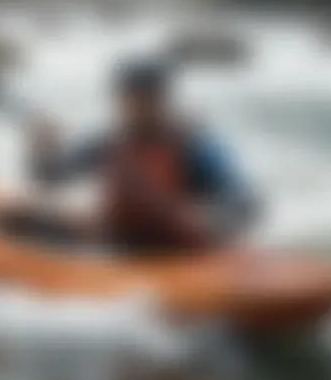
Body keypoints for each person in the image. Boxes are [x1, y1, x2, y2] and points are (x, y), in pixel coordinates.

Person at [27, 58, 261, 253]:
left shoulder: (195, 145)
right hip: (119, 242)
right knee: (25, 222)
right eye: (130, 98)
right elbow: (50, 176)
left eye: (146, 98)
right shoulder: (108, 142)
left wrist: (212, 220)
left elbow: (244, 198)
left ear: (163, 100)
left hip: (178, 251)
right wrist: (43, 148)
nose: (137, 107)